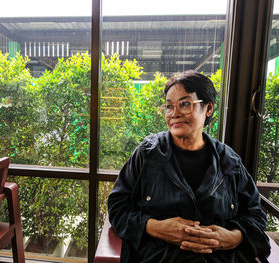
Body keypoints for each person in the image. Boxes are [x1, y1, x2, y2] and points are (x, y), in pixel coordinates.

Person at [107, 70, 271, 263]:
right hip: (158, 257)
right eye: (169, 107)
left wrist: (234, 237)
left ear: (208, 108)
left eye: (184, 104)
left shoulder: (229, 161)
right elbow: (118, 207)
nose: (174, 114)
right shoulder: (147, 155)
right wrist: (155, 227)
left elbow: (255, 215)